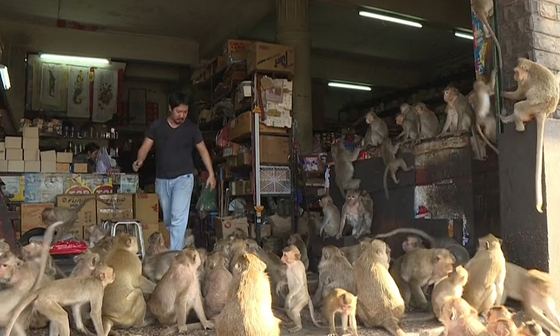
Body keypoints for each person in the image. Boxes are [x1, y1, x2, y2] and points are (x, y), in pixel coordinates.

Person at [133, 92, 216, 250]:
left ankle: (174, 254)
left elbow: (203, 151)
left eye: (185, 112)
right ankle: (176, 245)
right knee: (168, 219)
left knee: (178, 217)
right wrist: (140, 160)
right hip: (162, 180)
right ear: (170, 108)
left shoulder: (191, 129)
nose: (182, 115)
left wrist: (211, 174)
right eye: (179, 112)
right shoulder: (157, 126)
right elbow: (145, 147)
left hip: (183, 179)